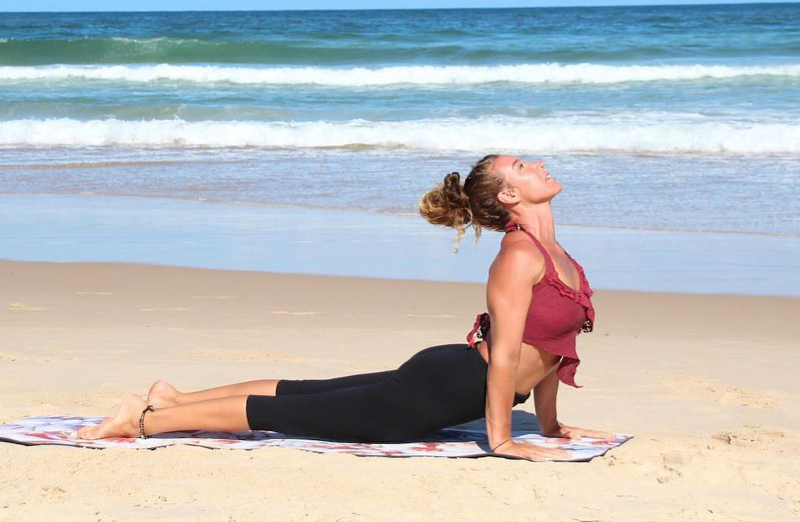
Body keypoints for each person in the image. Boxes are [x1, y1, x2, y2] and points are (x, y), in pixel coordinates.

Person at [77, 154, 613, 461]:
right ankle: (143, 421)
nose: (539, 164)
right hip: (443, 389)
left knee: (313, 393)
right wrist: (501, 441)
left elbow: (551, 352)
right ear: (508, 198)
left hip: (447, 376)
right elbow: (505, 360)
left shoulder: (558, 256)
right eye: (523, 165)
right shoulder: (519, 257)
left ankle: (177, 397)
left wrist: (549, 426)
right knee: (289, 415)